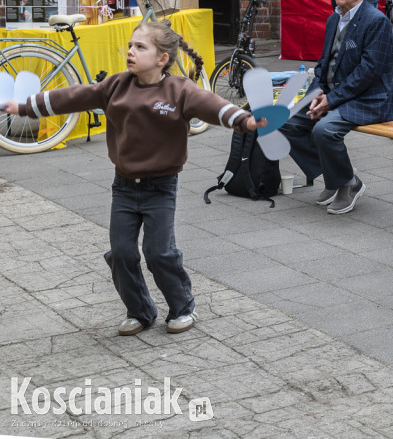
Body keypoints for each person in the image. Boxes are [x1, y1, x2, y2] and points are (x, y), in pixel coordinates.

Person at [2, 21, 263, 336]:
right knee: (122, 253)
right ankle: (140, 311)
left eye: (140, 47)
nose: (131, 51)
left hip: (161, 188)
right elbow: (73, 96)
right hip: (123, 187)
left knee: (159, 253)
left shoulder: (179, 90)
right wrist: (25, 106)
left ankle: (182, 307)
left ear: (161, 58)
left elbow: (215, 107)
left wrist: (245, 120)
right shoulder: (116, 86)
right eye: (130, 45)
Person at [280, 0, 393, 215]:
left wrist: (331, 100)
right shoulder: (335, 18)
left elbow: (368, 73)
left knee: (324, 130)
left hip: (368, 98)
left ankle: (348, 183)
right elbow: (324, 64)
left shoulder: (376, 21)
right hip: (334, 95)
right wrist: (316, 93)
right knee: (287, 122)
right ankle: (340, 176)